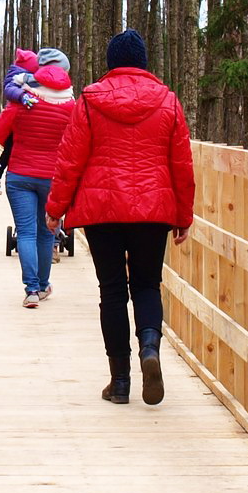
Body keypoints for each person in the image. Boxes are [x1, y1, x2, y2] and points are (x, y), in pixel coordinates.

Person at [47, 30, 194, 406]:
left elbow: (70, 159)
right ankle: (150, 348)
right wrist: (183, 215)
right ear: (144, 62)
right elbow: (181, 163)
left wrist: (55, 209)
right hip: (153, 210)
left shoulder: (90, 101)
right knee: (147, 285)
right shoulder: (168, 101)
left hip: (102, 209)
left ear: (111, 63)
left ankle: (120, 382)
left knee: (112, 290)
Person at [0, 63, 75, 307]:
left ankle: (30, 290)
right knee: (46, 231)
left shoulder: (22, 102)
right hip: (51, 178)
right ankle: (42, 285)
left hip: (19, 175)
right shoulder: (70, 106)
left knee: (26, 232)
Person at [0, 45, 70, 192]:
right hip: (52, 174)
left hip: (20, 173)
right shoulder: (70, 103)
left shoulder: (24, 91)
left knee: (9, 146)